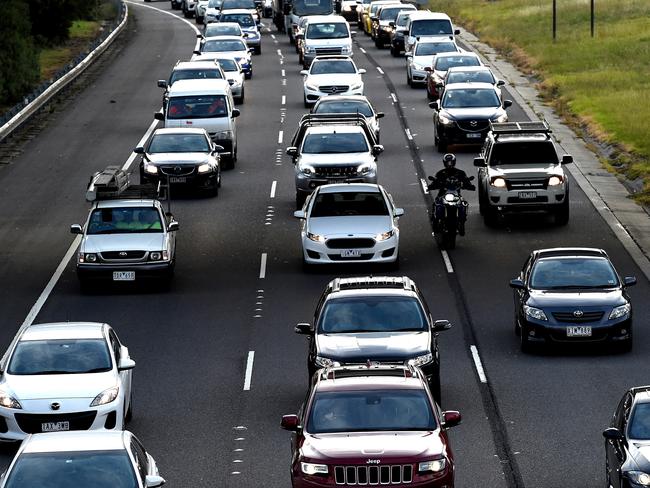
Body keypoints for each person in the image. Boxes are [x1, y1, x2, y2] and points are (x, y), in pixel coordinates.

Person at [427, 153, 475, 235]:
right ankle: (435, 222)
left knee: (463, 204)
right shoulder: (440, 173)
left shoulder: (460, 173)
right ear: (444, 163)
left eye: (451, 162)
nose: (449, 164)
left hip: (456, 194)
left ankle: (461, 223)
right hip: (443, 194)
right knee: (436, 203)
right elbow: (434, 182)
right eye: (447, 162)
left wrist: (468, 185)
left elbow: (467, 182)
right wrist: (432, 186)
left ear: (454, 162)